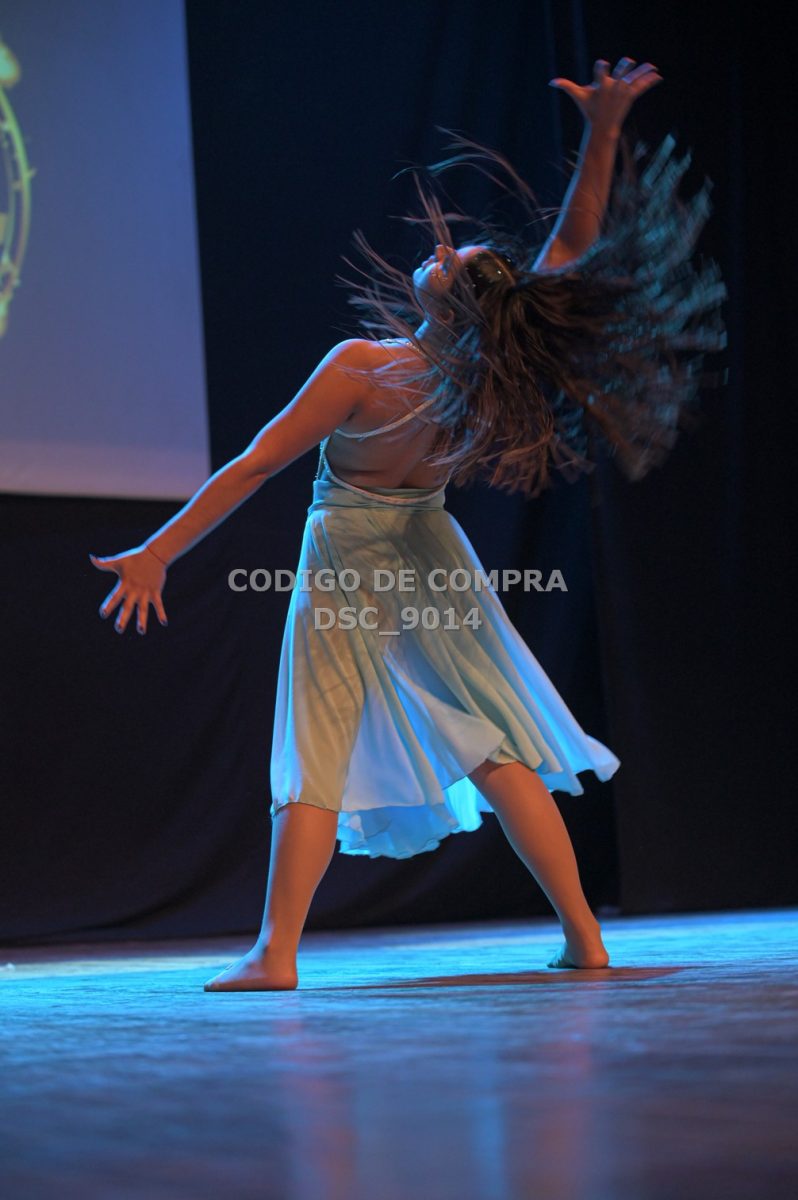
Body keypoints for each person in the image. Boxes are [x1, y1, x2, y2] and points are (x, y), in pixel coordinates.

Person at [89, 58, 726, 990]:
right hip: (432, 550)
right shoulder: (492, 373)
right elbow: (569, 250)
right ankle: (585, 935)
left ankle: (276, 952)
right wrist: (603, 132)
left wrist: (159, 551)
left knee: (316, 738)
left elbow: (258, 464)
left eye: (457, 262)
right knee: (493, 740)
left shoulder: (362, 367)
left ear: (458, 305)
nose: (445, 250)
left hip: (348, 553)